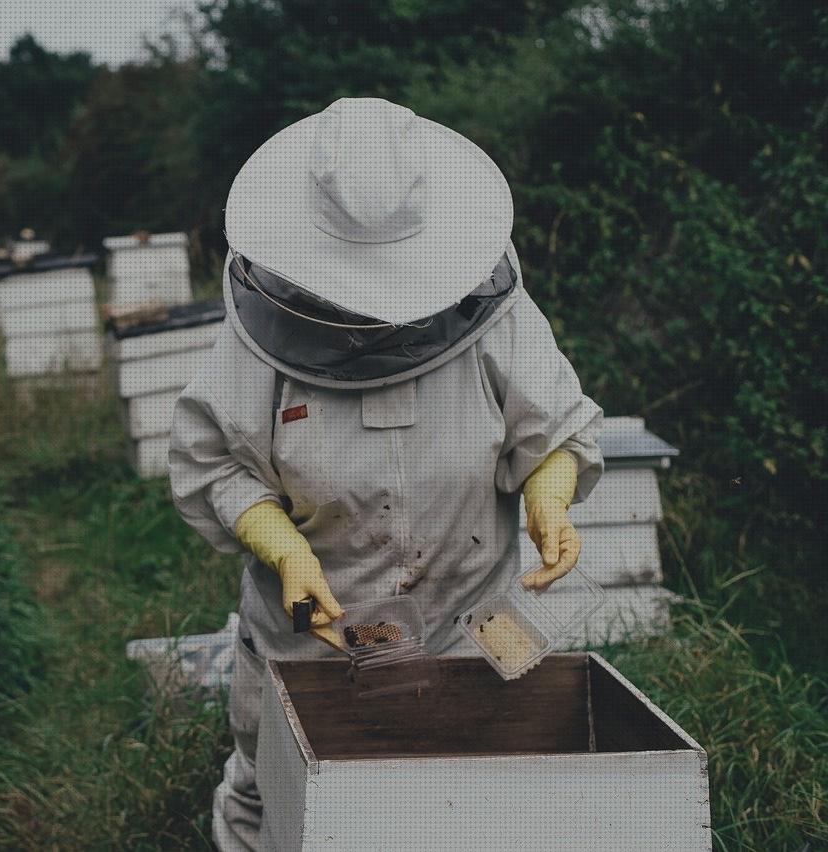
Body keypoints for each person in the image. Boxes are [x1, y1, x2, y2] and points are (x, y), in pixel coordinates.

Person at [168, 97, 604, 851]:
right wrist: (286, 551)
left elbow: (551, 428)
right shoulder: (257, 339)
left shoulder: (494, 312)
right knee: (281, 799)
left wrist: (551, 498)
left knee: (471, 807)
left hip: (479, 625)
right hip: (316, 639)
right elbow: (217, 465)